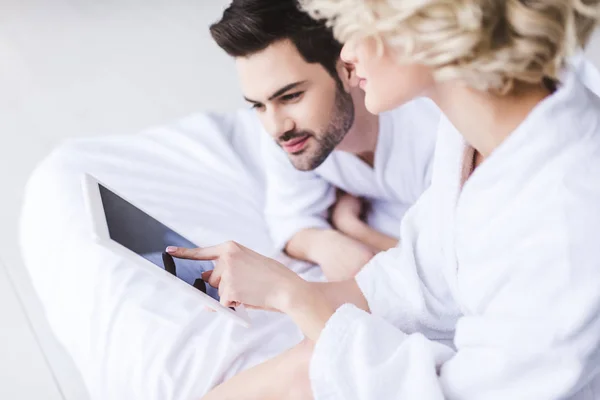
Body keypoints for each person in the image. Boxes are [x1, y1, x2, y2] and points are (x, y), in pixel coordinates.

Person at [168, 0, 600, 398]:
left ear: (426, 21)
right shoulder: (471, 139)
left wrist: (295, 299)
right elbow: (406, 287)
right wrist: (287, 287)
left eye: (359, 24)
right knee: (309, 360)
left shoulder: (565, 216)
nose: (346, 54)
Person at [210, 0, 440, 281]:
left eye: (291, 96)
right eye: (258, 105)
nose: (275, 127)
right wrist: (324, 244)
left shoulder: (433, 131)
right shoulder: (290, 133)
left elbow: (451, 267)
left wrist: (352, 227)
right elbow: (288, 220)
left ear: (348, 69)